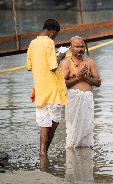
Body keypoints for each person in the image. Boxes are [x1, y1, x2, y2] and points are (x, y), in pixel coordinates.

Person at [27, 19, 67, 159]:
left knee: (44, 123)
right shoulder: (49, 42)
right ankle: (45, 152)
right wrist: (61, 56)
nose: (55, 37)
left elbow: (29, 66)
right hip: (53, 90)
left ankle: (42, 153)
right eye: (55, 35)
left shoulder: (32, 43)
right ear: (52, 32)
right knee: (54, 122)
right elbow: (53, 66)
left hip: (39, 90)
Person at [61, 36, 101, 149]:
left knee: (87, 128)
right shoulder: (66, 63)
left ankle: (86, 158)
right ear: (71, 48)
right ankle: (72, 158)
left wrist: (86, 78)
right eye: (77, 47)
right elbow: (63, 84)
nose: (80, 49)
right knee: (73, 128)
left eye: (82, 46)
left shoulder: (90, 62)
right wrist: (78, 78)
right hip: (73, 99)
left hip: (87, 99)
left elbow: (98, 82)